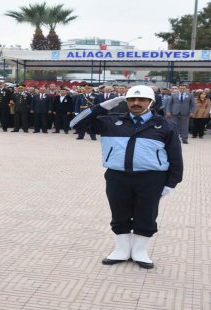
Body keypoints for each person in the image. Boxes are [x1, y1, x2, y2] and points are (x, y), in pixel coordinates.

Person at [70, 85, 183, 269]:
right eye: (132, 100)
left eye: (142, 100)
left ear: (151, 102)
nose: (136, 103)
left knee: (146, 215)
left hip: (151, 179)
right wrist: (101, 107)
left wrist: (172, 183)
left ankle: (140, 252)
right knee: (119, 213)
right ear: (126, 101)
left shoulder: (164, 125)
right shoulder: (110, 121)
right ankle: (121, 250)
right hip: (117, 177)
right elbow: (75, 124)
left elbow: (175, 158)